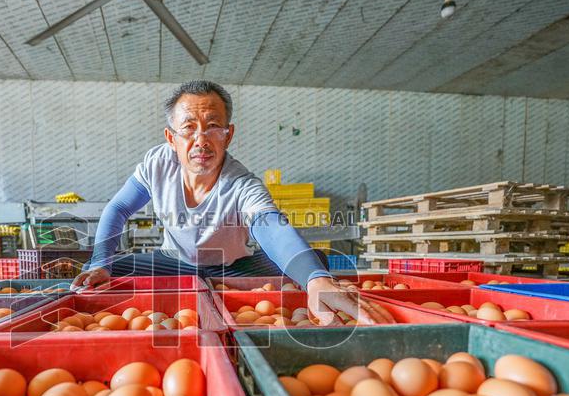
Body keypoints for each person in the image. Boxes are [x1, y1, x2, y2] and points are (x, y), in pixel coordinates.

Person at [72, 80, 391, 325]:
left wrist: (316, 280)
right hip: (175, 263)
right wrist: (100, 261)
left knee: (315, 263)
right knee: (103, 270)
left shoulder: (241, 183)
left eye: (213, 127)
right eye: (188, 128)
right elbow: (119, 209)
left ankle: (307, 282)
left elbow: (269, 225)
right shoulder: (157, 164)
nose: (201, 140)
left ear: (228, 134)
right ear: (172, 138)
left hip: (234, 267)